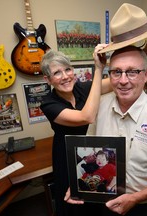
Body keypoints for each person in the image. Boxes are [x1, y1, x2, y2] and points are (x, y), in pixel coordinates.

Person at [66, 3, 147, 216]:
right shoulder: (101, 107)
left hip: (141, 207)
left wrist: (134, 198)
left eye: (133, 72)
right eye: (116, 72)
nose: (123, 81)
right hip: (101, 199)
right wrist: (80, 181)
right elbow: (89, 148)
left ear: (146, 76)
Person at [40, 46, 111, 216]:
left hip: (91, 152)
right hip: (67, 156)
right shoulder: (48, 104)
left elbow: (115, 82)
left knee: (95, 193)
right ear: (48, 79)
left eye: (68, 69)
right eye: (57, 73)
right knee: (73, 205)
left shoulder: (81, 88)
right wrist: (99, 69)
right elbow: (86, 117)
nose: (65, 76)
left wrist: (146, 49)